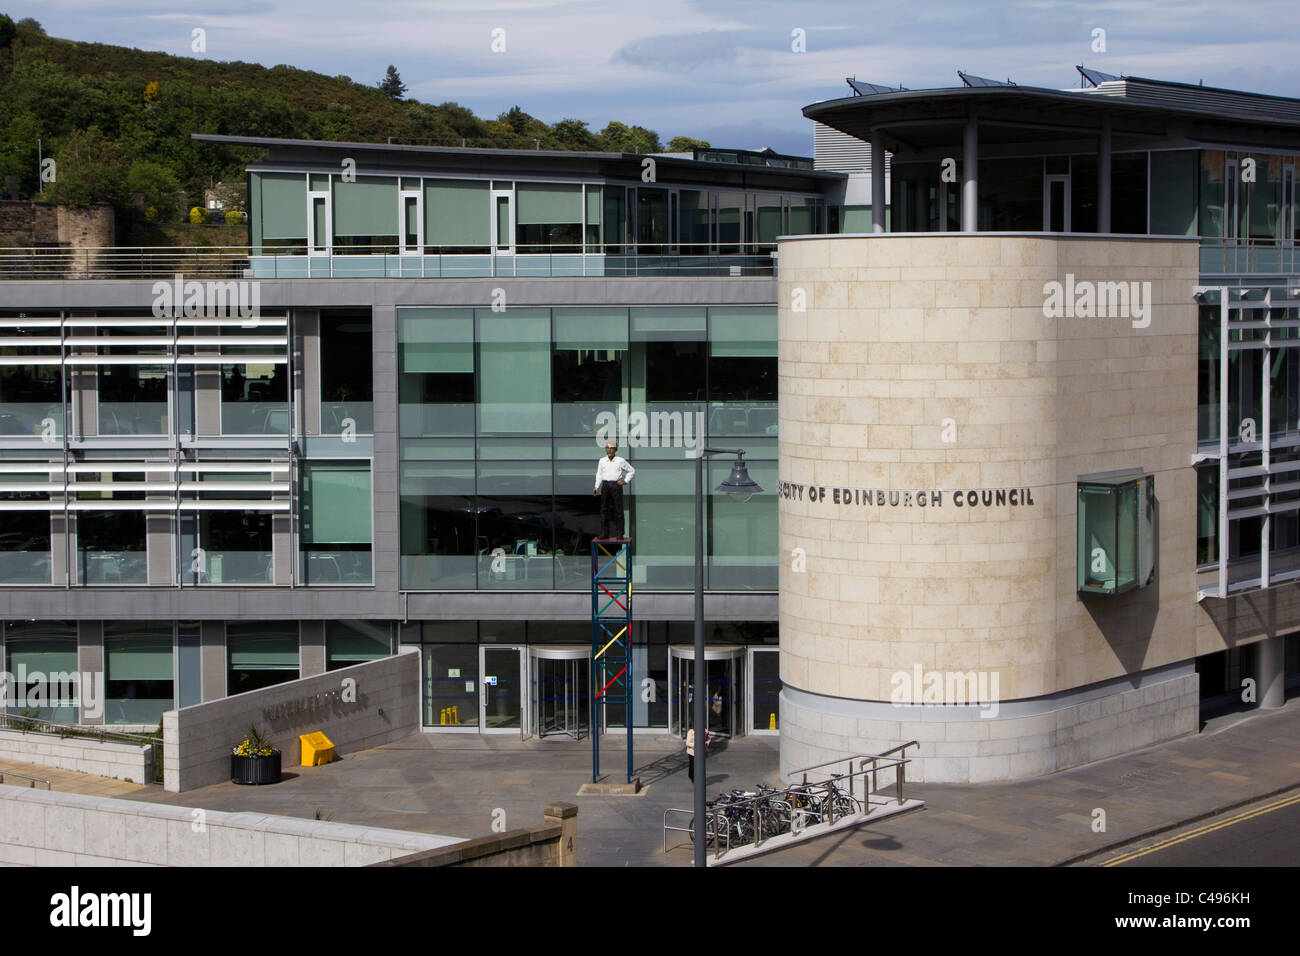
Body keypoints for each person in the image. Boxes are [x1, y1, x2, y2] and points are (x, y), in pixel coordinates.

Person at [592, 439, 634, 539]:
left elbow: (631, 470)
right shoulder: (602, 460)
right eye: (607, 448)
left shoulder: (620, 460)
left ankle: (620, 533)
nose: (609, 450)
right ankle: (604, 532)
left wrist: (625, 481)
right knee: (604, 510)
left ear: (616, 449)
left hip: (616, 485)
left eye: (612, 448)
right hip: (605, 485)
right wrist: (596, 486)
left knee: (618, 509)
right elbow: (599, 474)